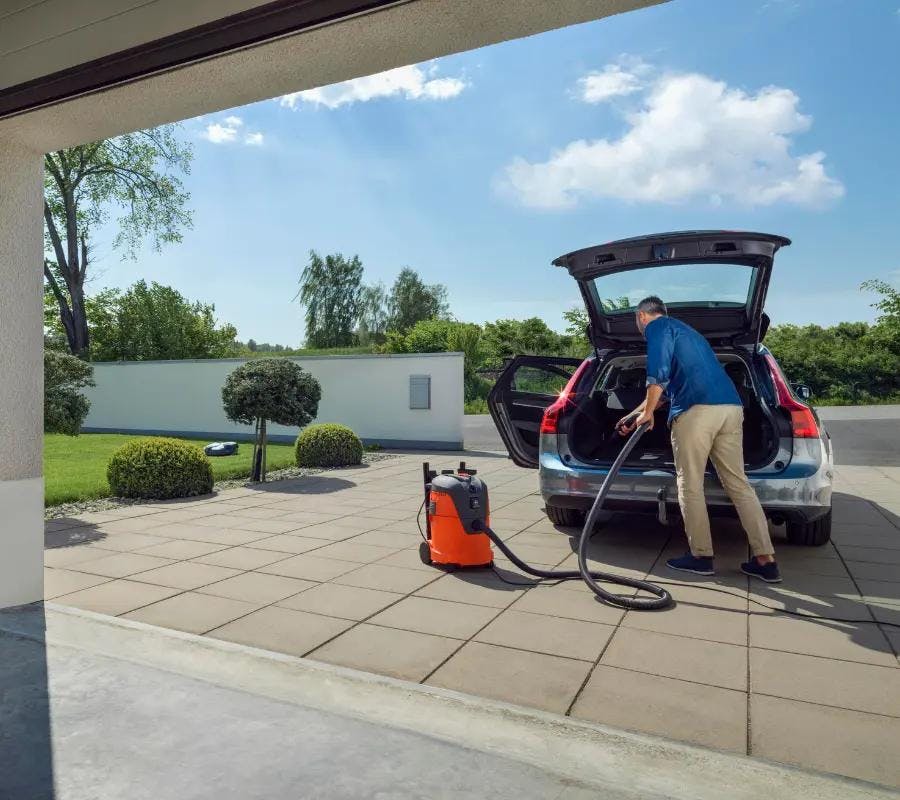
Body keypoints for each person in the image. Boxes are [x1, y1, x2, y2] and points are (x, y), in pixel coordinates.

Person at [616, 296, 781, 583]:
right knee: (738, 484)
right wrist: (636, 414)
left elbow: (659, 374)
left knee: (689, 484)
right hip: (730, 409)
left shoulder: (658, 328)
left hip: (697, 412)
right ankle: (765, 560)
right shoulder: (690, 334)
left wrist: (649, 414)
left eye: (637, 320)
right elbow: (669, 389)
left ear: (642, 316)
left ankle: (701, 556)